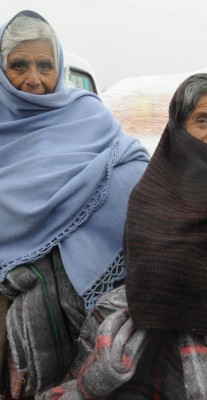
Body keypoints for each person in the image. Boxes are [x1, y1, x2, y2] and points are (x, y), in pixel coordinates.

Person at [39, 73, 207, 400]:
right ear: (179, 126)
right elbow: (156, 280)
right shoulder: (154, 190)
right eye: (202, 120)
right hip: (157, 333)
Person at [0, 10, 149, 398]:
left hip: (93, 277)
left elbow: (133, 163)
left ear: (59, 67)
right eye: (19, 65)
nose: (33, 78)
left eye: (45, 65)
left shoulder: (86, 111)